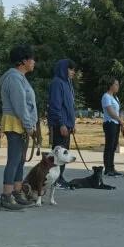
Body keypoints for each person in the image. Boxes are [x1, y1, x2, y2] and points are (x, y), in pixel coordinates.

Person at [0, 44, 39, 211]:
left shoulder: (20, 78)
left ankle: (16, 193)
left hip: (20, 123)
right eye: (32, 59)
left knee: (20, 160)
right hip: (16, 122)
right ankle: (6, 197)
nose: (34, 62)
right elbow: (20, 105)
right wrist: (29, 126)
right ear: (23, 61)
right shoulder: (14, 78)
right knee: (14, 160)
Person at [47, 59, 77, 188]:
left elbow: (70, 107)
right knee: (58, 153)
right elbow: (55, 105)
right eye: (71, 69)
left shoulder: (67, 84)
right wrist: (61, 123)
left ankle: (60, 177)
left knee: (65, 152)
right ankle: (55, 179)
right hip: (60, 124)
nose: (73, 72)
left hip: (67, 124)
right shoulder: (57, 83)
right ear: (64, 69)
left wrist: (72, 123)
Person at [101, 77, 124, 177]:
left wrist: (120, 124)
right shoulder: (106, 97)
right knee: (109, 146)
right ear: (111, 86)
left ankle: (112, 167)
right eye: (116, 84)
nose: (118, 86)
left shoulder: (115, 97)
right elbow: (111, 112)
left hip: (116, 124)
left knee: (114, 146)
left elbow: (118, 111)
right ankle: (107, 168)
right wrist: (120, 120)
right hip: (110, 123)